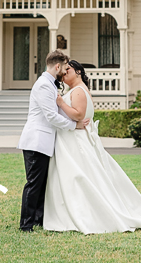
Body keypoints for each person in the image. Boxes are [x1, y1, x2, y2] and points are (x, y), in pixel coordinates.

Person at [43, 60, 141, 234]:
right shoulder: (77, 90)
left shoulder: (78, 91)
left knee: (81, 177)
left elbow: (78, 115)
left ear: (78, 71)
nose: (64, 73)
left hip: (76, 142)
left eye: (67, 69)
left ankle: (86, 214)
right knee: (82, 178)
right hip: (73, 141)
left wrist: (61, 103)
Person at [17, 49, 90, 232]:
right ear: (57, 66)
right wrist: (75, 126)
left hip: (44, 142)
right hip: (36, 140)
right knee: (33, 183)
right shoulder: (43, 85)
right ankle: (26, 224)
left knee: (41, 183)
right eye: (65, 68)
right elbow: (51, 116)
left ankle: (38, 219)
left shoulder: (51, 84)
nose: (66, 72)